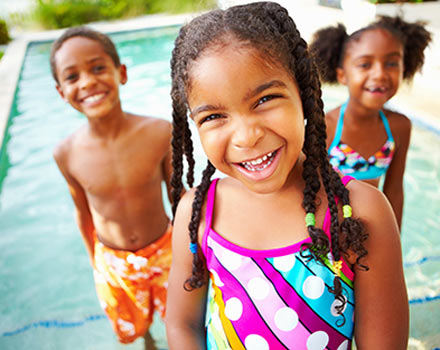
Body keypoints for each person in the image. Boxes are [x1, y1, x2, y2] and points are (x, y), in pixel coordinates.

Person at [165, 2, 408, 349]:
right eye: (214, 116)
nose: (247, 136)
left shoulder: (359, 213)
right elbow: (182, 325)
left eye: (265, 99)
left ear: (304, 93)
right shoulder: (199, 211)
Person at [50, 26, 173, 349]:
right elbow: (83, 211)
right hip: (113, 262)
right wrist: (96, 265)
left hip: (166, 250)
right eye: (72, 77)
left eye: (97, 68)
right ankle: (147, 338)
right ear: (61, 92)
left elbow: (179, 195)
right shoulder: (66, 153)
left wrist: (193, 248)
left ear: (121, 73)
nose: (88, 82)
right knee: (134, 323)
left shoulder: (159, 132)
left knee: (180, 320)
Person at [309, 16, 432, 229]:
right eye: (365, 64)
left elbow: (394, 191)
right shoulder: (325, 126)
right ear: (342, 75)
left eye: (392, 63)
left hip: (375, 232)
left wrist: (395, 245)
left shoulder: (399, 127)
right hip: (332, 233)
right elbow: (310, 194)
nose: (380, 74)